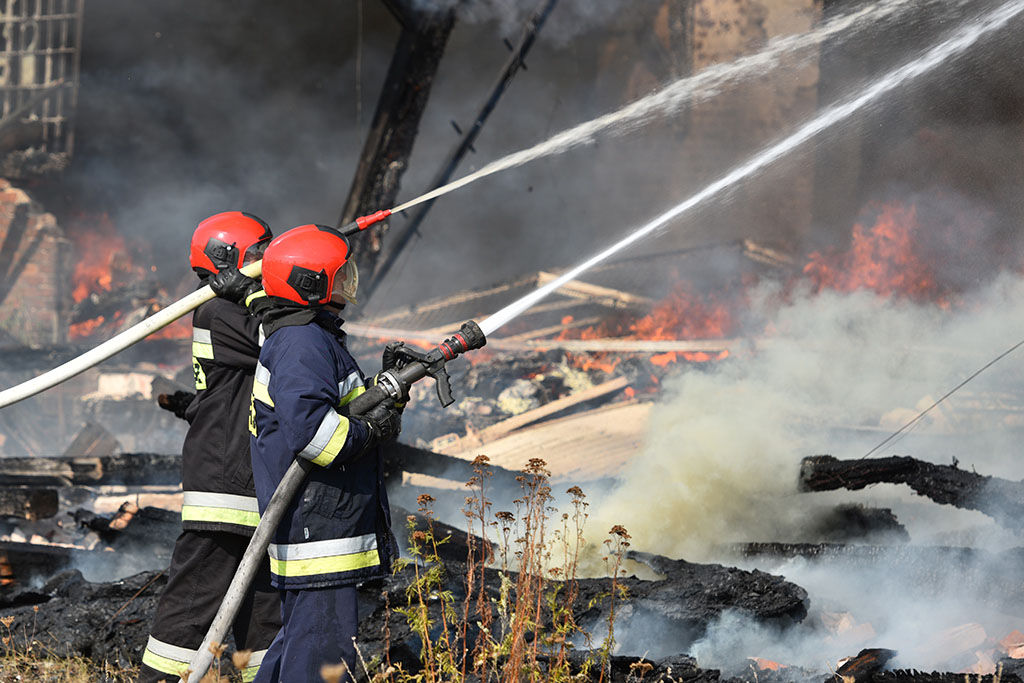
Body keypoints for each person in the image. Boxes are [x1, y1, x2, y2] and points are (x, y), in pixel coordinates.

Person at [248, 224, 401, 683]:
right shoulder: (302, 344)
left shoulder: (307, 337)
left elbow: (331, 407)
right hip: (321, 533)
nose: (348, 282)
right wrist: (372, 430)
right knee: (319, 661)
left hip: (318, 526)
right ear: (311, 284)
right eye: (340, 274)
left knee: (297, 649)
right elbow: (316, 435)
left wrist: (382, 396)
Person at [140, 212, 280, 683]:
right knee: (192, 607)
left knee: (264, 615)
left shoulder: (233, 306)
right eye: (260, 249)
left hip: (252, 482)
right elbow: (284, 344)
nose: (268, 256)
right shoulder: (223, 310)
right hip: (226, 483)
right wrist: (254, 293)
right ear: (231, 258)